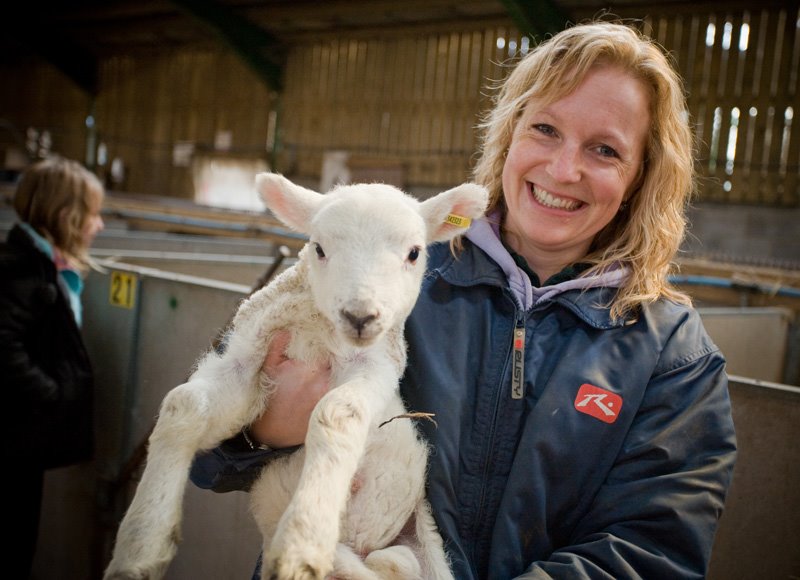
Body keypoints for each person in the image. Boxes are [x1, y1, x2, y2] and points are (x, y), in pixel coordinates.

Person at [190, 20, 737, 579]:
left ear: (640, 176)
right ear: (510, 132)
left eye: (604, 149)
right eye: (545, 128)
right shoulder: (394, 269)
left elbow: (652, 552)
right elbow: (207, 457)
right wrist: (259, 430)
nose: (563, 169)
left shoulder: (672, 356)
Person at [0, 156, 105, 576]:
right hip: (11, 439)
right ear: (68, 216)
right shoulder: (22, 271)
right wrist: (51, 394)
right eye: (94, 215)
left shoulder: (39, 267)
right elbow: (2, 346)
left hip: (20, 438)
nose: (98, 225)